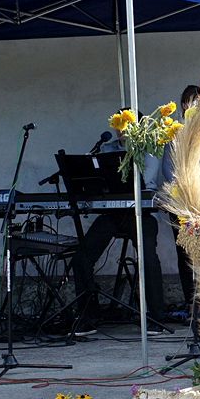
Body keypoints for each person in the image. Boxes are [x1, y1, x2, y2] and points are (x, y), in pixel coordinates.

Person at [71, 108, 165, 336]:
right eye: (117, 123)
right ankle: (88, 317)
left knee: (148, 258)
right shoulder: (108, 149)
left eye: (124, 123)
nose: (119, 129)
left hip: (141, 214)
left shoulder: (150, 148)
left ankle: (156, 317)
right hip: (113, 214)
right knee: (81, 257)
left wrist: (133, 146)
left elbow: (147, 183)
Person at [160, 85, 200, 337]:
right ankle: (190, 302)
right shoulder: (175, 131)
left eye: (196, 102)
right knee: (183, 252)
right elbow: (167, 167)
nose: (192, 107)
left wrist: (197, 186)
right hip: (179, 200)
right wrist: (180, 187)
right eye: (187, 103)